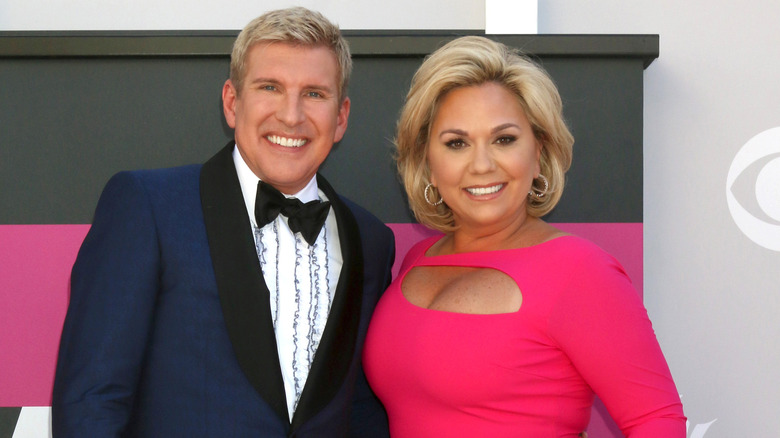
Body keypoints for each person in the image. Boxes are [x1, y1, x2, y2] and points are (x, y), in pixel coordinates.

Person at [52, 7, 393, 437]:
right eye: (270, 87)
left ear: (340, 117)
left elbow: (360, 411)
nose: (291, 115)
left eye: (314, 94)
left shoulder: (370, 240)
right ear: (232, 102)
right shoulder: (148, 208)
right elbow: (91, 402)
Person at [362, 36, 686, 437]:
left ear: (539, 154)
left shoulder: (579, 271)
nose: (481, 165)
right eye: (457, 143)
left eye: (504, 139)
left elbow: (657, 421)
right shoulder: (418, 256)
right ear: (428, 162)